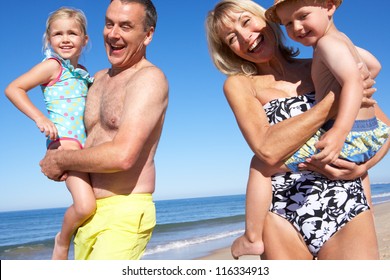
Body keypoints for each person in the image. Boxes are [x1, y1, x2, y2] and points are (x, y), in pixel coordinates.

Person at [206, 0, 389, 259]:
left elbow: (384, 128)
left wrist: (364, 167)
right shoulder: (241, 85)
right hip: (282, 214)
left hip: (346, 203)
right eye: (231, 38)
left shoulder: (322, 62)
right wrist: (331, 104)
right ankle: (253, 237)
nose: (245, 37)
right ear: (229, 51)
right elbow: (266, 150)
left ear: (267, 20)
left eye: (246, 22)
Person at [39, 0, 168, 260]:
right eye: (109, 24)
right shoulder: (94, 79)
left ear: (148, 35)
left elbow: (123, 156)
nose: (114, 33)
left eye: (126, 26)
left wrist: (60, 160)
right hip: (88, 214)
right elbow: (70, 123)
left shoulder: (148, 79)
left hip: (124, 211)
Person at [5, 7, 95, 260]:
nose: (65, 39)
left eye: (72, 33)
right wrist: (39, 117)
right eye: (58, 34)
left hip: (85, 145)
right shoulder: (52, 66)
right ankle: (62, 241)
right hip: (63, 143)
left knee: (95, 203)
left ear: (85, 40)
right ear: (49, 39)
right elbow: (14, 88)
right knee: (86, 205)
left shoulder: (84, 73)